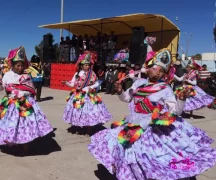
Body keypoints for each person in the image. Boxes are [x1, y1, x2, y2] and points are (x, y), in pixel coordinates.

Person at [88, 49, 216, 180]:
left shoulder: (165, 88)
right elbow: (126, 99)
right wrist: (120, 91)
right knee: (127, 152)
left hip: (151, 126)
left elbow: (175, 112)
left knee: (152, 156)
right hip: (133, 123)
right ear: (148, 69)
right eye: (156, 69)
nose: (159, 73)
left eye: (162, 71)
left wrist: (182, 99)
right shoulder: (138, 83)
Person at [0, 46, 53, 154]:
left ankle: (25, 145)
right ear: (12, 65)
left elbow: (31, 90)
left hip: (24, 102)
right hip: (10, 103)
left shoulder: (26, 76)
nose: (20, 67)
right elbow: (1, 89)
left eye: (22, 65)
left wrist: (21, 93)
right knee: (9, 124)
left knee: (24, 124)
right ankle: (10, 140)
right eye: (18, 65)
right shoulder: (7, 75)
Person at [62, 51, 112, 134]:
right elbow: (72, 84)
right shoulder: (77, 74)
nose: (87, 66)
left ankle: (89, 127)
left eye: (88, 65)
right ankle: (80, 124)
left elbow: (98, 82)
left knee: (89, 111)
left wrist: (91, 87)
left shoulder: (92, 74)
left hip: (89, 95)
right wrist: (66, 83)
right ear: (81, 65)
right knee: (78, 110)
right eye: (86, 65)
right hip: (78, 94)